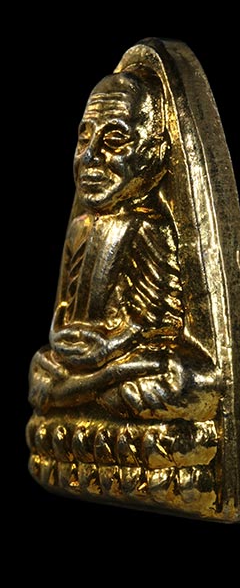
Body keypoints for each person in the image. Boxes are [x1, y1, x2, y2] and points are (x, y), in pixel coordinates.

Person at [29, 68, 214, 419]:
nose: (89, 157)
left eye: (114, 140)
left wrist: (110, 352)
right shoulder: (80, 228)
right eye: (84, 139)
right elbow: (63, 316)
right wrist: (63, 345)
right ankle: (86, 390)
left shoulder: (150, 227)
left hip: (127, 361)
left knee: (187, 382)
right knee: (41, 367)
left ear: (155, 153)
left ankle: (76, 394)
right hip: (90, 362)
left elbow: (155, 327)